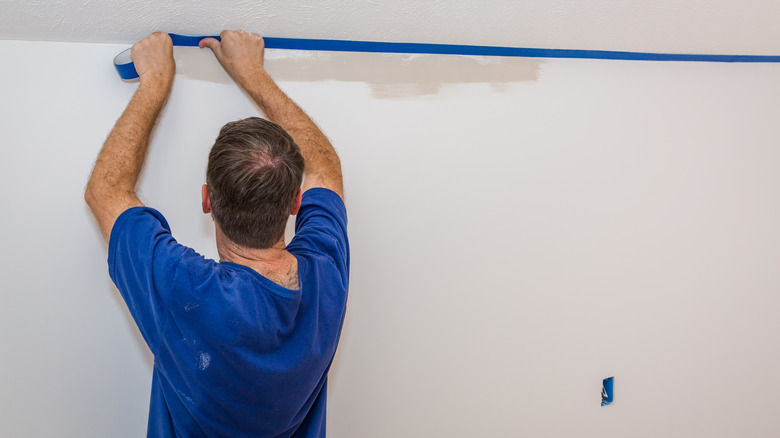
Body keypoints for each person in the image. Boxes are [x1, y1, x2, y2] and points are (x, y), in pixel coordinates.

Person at [85, 30, 349, 437]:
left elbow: (106, 191)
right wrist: (253, 74)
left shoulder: (187, 291)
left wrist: (155, 82)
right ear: (296, 204)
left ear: (207, 200)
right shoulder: (326, 277)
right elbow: (325, 170)